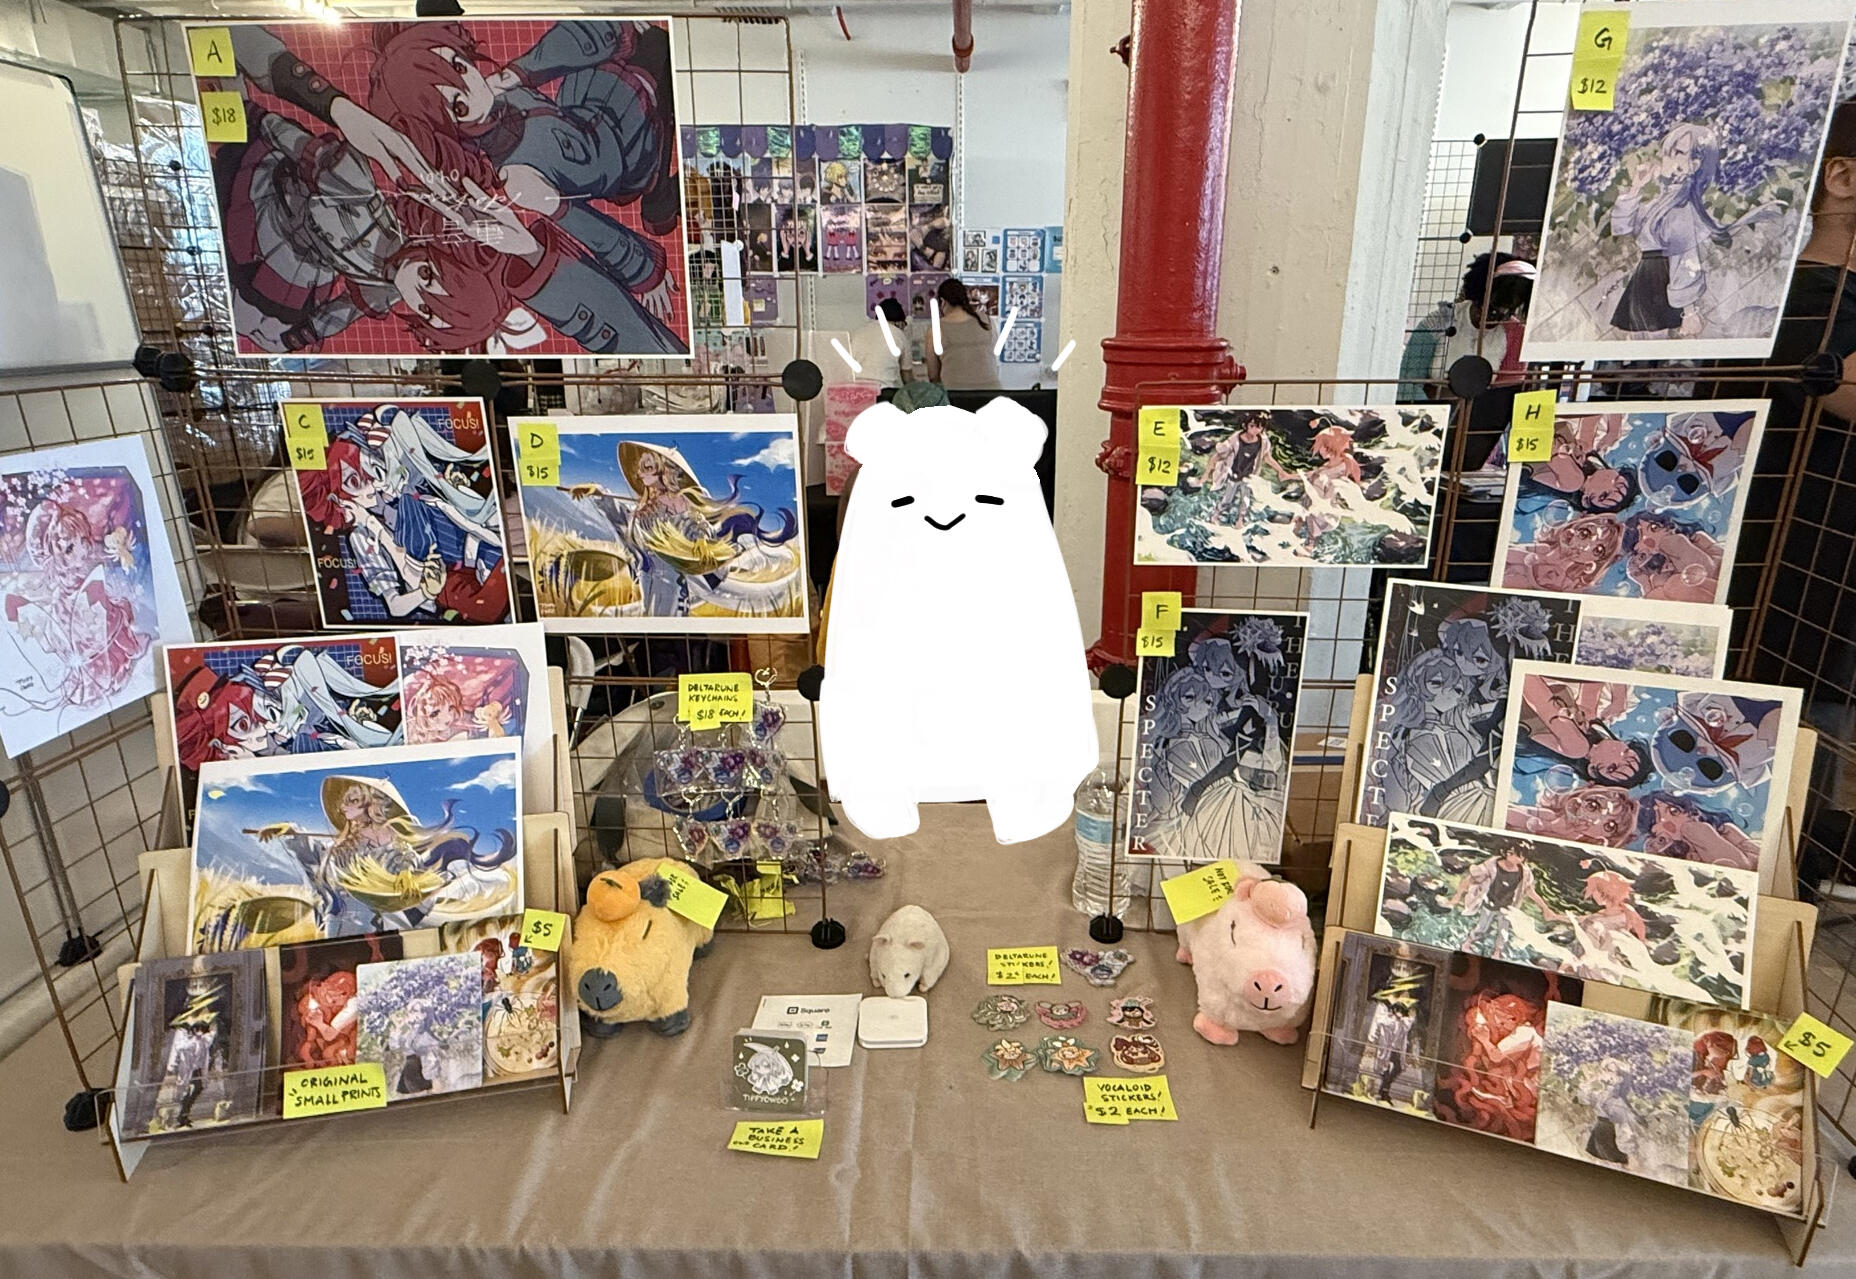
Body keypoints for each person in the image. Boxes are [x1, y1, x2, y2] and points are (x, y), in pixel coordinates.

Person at [925, 279, 1003, 390]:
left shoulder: (936, 329)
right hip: (993, 393)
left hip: (956, 395)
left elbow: (933, 376)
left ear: (942, 302)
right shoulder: (986, 320)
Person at [848, 298, 914, 387]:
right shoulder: (899, 334)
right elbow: (907, 377)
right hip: (884, 390)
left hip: (855, 389)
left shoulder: (858, 332)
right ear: (898, 323)